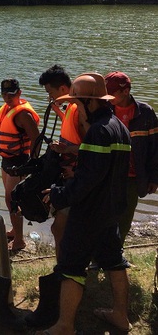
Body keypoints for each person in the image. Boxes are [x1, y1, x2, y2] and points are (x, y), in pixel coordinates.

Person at [41, 73, 132, 334]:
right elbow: (106, 174)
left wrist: (58, 194)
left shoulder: (98, 133)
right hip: (111, 210)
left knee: (71, 266)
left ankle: (64, 325)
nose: (75, 110)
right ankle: (120, 316)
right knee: (115, 261)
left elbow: (85, 182)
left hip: (90, 213)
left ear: (88, 102)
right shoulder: (120, 129)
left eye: (76, 105)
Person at [38, 65, 87, 260]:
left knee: (59, 228)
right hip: (70, 178)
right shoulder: (72, 108)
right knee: (65, 228)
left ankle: (65, 270)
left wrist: (67, 150)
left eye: (50, 92)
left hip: (76, 179)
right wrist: (57, 108)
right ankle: (69, 266)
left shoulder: (78, 111)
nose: (49, 97)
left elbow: (91, 146)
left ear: (63, 90)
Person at [105, 71, 158, 245]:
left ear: (125, 91)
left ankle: (117, 254)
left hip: (134, 177)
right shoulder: (105, 110)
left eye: (112, 92)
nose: (108, 96)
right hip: (108, 175)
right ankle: (98, 259)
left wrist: (153, 178)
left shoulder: (146, 113)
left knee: (125, 219)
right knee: (104, 217)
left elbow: (155, 148)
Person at [0, 78, 40, 251]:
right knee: (9, 198)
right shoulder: (6, 110)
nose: (7, 98)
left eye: (11, 94)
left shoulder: (23, 114)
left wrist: (32, 163)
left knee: (14, 200)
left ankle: (19, 240)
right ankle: (14, 230)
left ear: (19, 93)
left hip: (19, 162)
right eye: (4, 94)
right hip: (7, 159)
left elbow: (36, 140)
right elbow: (1, 137)